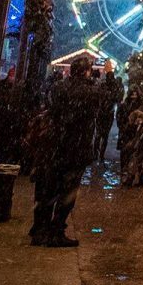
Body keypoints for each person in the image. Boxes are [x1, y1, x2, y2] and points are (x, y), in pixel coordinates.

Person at [30, 57, 101, 247]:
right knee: (68, 192)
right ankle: (57, 230)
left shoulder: (58, 88)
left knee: (48, 188)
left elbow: (51, 107)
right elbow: (100, 107)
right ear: (87, 71)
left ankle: (40, 229)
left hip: (54, 145)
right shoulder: (90, 92)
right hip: (76, 147)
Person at [94, 60, 123, 162]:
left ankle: (97, 154)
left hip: (103, 112)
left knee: (100, 135)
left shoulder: (103, 85)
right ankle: (99, 154)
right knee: (103, 135)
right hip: (106, 112)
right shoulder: (110, 86)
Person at [119, 107, 143, 187]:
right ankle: (136, 180)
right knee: (137, 163)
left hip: (142, 147)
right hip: (139, 147)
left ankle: (136, 180)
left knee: (139, 164)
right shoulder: (138, 126)